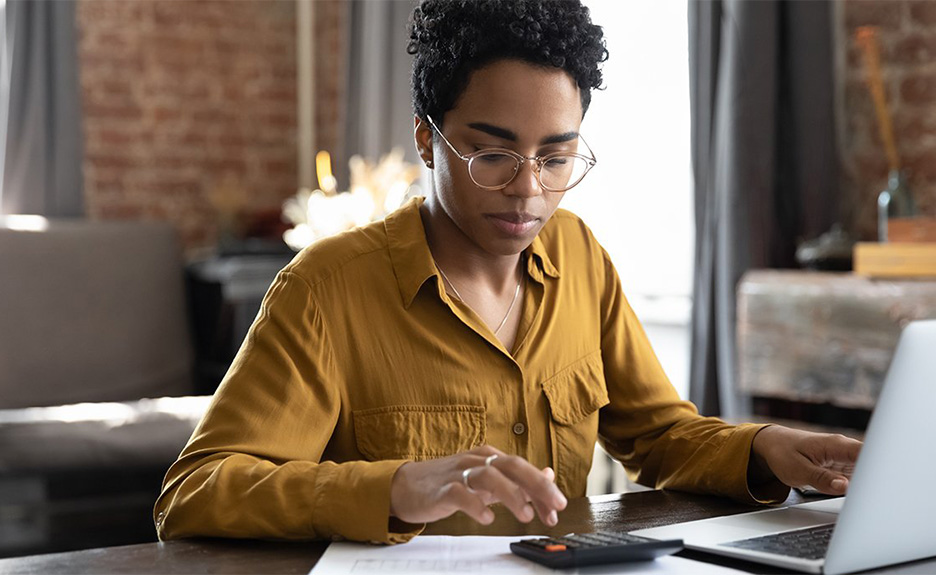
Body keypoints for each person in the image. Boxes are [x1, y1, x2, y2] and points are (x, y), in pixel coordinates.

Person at [155, 0, 862, 545]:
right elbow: (195, 492)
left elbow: (660, 436)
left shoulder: (581, 256)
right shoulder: (326, 291)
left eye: (557, 158)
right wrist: (392, 488)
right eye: (492, 155)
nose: (528, 191)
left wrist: (767, 448)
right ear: (427, 139)